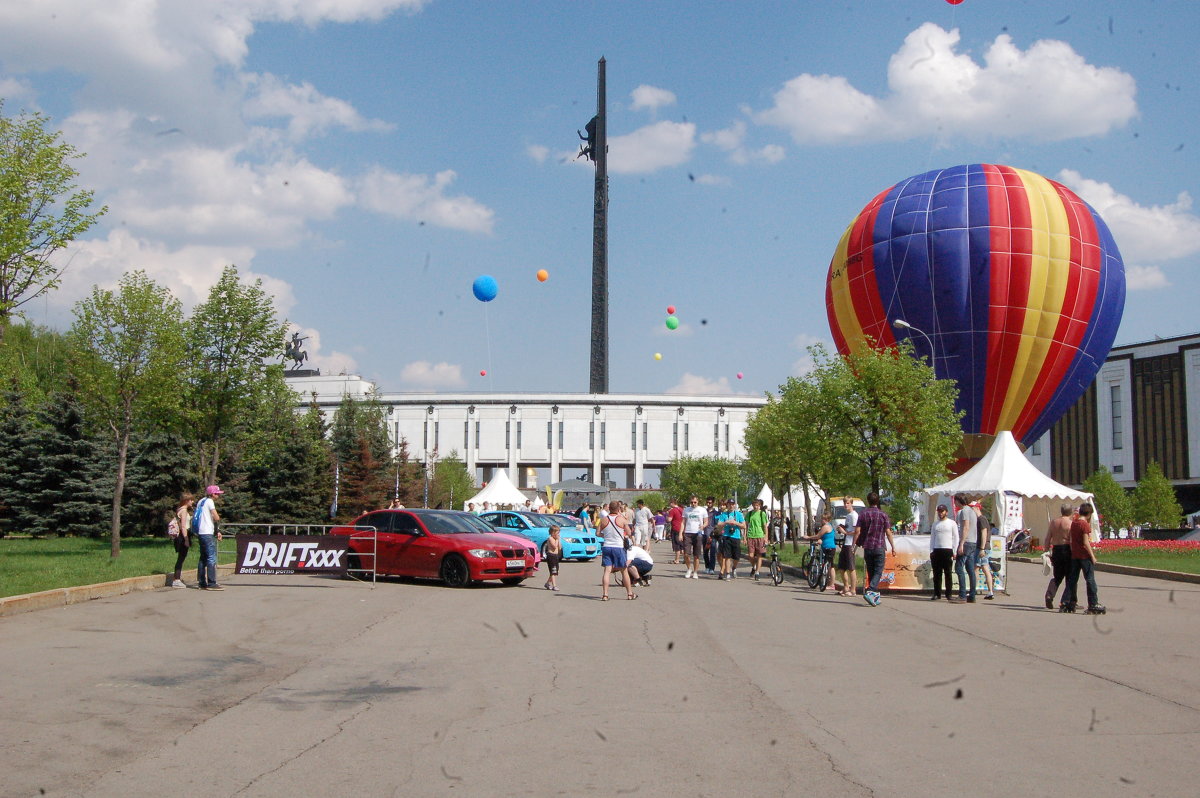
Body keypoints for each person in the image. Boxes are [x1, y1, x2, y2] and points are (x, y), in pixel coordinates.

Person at [1061, 503, 1106, 614]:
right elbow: (1086, 542)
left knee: (1072, 580)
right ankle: (1093, 603)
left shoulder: (1074, 523)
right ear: (1089, 513)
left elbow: (1071, 540)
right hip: (1084, 556)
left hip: (1075, 555)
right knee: (1090, 580)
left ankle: (1068, 602)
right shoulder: (1084, 524)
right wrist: (1093, 556)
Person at [855, 492, 895, 606]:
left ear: (868, 501)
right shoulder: (883, 515)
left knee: (871, 571)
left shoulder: (863, 514)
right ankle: (871, 589)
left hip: (868, 546)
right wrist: (893, 546)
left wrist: (856, 545)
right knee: (878, 571)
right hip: (879, 546)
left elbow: (858, 531)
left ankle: (874, 597)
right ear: (877, 501)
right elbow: (888, 532)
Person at [598, 501, 636, 600]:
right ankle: (629, 593)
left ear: (609, 508)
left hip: (607, 546)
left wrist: (605, 535)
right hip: (618, 547)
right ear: (618, 509)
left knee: (607, 571)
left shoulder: (603, 519)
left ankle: (605, 594)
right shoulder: (621, 519)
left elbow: (597, 533)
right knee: (624, 571)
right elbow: (628, 532)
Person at [1043, 503, 1074, 609]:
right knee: (1070, 577)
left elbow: (1047, 538)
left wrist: (1046, 551)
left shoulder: (1054, 522)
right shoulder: (1070, 523)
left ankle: (1049, 595)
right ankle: (1066, 601)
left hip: (1056, 549)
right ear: (1070, 512)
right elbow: (1072, 540)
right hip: (1067, 549)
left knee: (1057, 577)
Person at [195, 485, 224, 591]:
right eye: (217, 493)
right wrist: (217, 518)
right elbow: (216, 517)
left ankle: (201, 582)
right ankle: (212, 583)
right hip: (207, 532)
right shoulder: (210, 502)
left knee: (203, 557)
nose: (218, 495)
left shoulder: (201, 501)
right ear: (212, 494)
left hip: (200, 532)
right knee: (211, 557)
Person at [928, 504, 958, 601]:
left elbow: (956, 537)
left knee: (948, 573)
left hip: (948, 550)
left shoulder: (952, 523)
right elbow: (932, 538)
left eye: (942, 511)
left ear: (946, 512)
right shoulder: (935, 524)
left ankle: (948, 594)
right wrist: (931, 550)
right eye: (939, 511)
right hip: (937, 550)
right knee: (937, 573)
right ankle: (937, 593)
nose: (940, 513)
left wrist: (955, 550)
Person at [954, 494, 979, 603]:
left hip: (967, 542)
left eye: (955, 501)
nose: (955, 503)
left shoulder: (964, 511)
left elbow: (966, 527)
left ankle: (962, 595)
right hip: (973, 541)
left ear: (958, 501)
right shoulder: (972, 511)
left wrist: (961, 543)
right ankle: (972, 595)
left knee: (959, 568)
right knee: (970, 570)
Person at [803, 512, 837, 591]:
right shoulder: (829, 526)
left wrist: (808, 537)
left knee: (830, 566)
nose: (822, 520)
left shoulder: (826, 526)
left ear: (827, 520)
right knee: (829, 566)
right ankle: (829, 582)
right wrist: (821, 540)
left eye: (824, 519)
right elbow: (825, 537)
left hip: (829, 548)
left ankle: (832, 584)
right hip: (827, 547)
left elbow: (818, 535)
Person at [715, 499, 746, 580]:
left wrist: (736, 523)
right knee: (727, 555)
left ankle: (734, 568)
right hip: (726, 536)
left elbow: (744, 526)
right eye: (729, 504)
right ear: (727, 505)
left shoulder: (739, 514)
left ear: (734, 505)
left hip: (736, 536)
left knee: (736, 556)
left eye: (732, 504)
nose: (731, 506)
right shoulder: (724, 514)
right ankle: (728, 573)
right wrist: (726, 522)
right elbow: (718, 524)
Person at [170, 493, 195, 588]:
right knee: (181, 557)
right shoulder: (184, 511)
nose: (192, 502)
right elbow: (184, 526)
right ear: (186, 500)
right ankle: (176, 579)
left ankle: (177, 578)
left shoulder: (179, 509)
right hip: (183, 535)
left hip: (181, 535)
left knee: (181, 557)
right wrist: (186, 539)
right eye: (191, 500)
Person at [682, 496, 707, 579]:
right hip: (688, 533)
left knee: (696, 555)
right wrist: (680, 533)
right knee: (686, 554)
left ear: (698, 502)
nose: (693, 504)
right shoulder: (686, 510)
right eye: (692, 502)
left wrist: (703, 526)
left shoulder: (702, 510)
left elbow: (706, 521)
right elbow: (683, 523)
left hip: (698, 533)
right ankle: (689, 569)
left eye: (695, 502)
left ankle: (695, 572)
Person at [744, 499, 769, 580]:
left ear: (760, 506)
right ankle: (754, 566)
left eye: (757, 505)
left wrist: (766, 537)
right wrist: (745, 537)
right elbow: (746, 526)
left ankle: (757, 572)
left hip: (760, 536)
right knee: (750, 555)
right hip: (751, 536)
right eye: (754, 505)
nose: (756, 507)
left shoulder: (762, 514)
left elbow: (765, 526)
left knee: (759, 555)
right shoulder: (750, 514)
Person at [835, 518, 857, 597]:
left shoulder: (854, 515)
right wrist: (843, 528)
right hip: (845, 543)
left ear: (851, 504)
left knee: (851, 568)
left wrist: (845, 532)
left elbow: (857, 531)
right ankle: (846, 587)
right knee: (841, 567)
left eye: (848, 504)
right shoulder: (848, 516)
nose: (846, 505)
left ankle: (853, 590)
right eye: (845, 504)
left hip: (850, 544)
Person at [702, 496, 719, 574]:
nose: (709, 504)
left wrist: (714, 532)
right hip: (704, 534)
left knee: (713, 551)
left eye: (710, 502)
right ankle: (707, 566)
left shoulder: (717, 513)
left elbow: (718, 524)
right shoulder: (704, 512)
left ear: (713, 503)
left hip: (713, 534)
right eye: (707, 502)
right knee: (705, 551)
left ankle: (712, 568)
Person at [543, 525, 562, 591]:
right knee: (553, 571)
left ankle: (547, 583)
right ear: (552, 532)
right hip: (551, 556)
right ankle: (554, 585)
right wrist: (557, 539)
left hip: (556, 556)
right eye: (557, 533)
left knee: (555, 571)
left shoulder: (557, 539)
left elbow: (559, 547)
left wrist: (559, 540)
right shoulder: (550, 538)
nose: (558, 534)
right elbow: (554, 546)